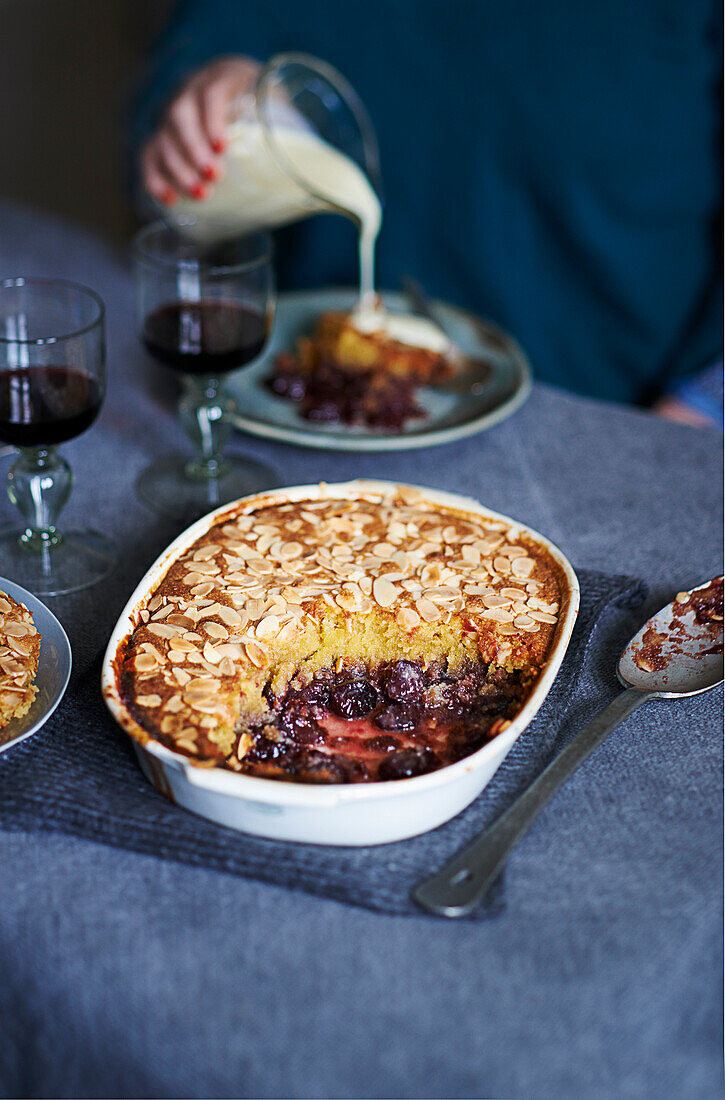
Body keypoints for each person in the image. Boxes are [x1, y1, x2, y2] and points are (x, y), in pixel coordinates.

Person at [131, 0, 723, 420]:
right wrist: (207, 91)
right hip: (295, 411)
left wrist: (695, 413)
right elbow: (197, 61)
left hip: (612, 413)